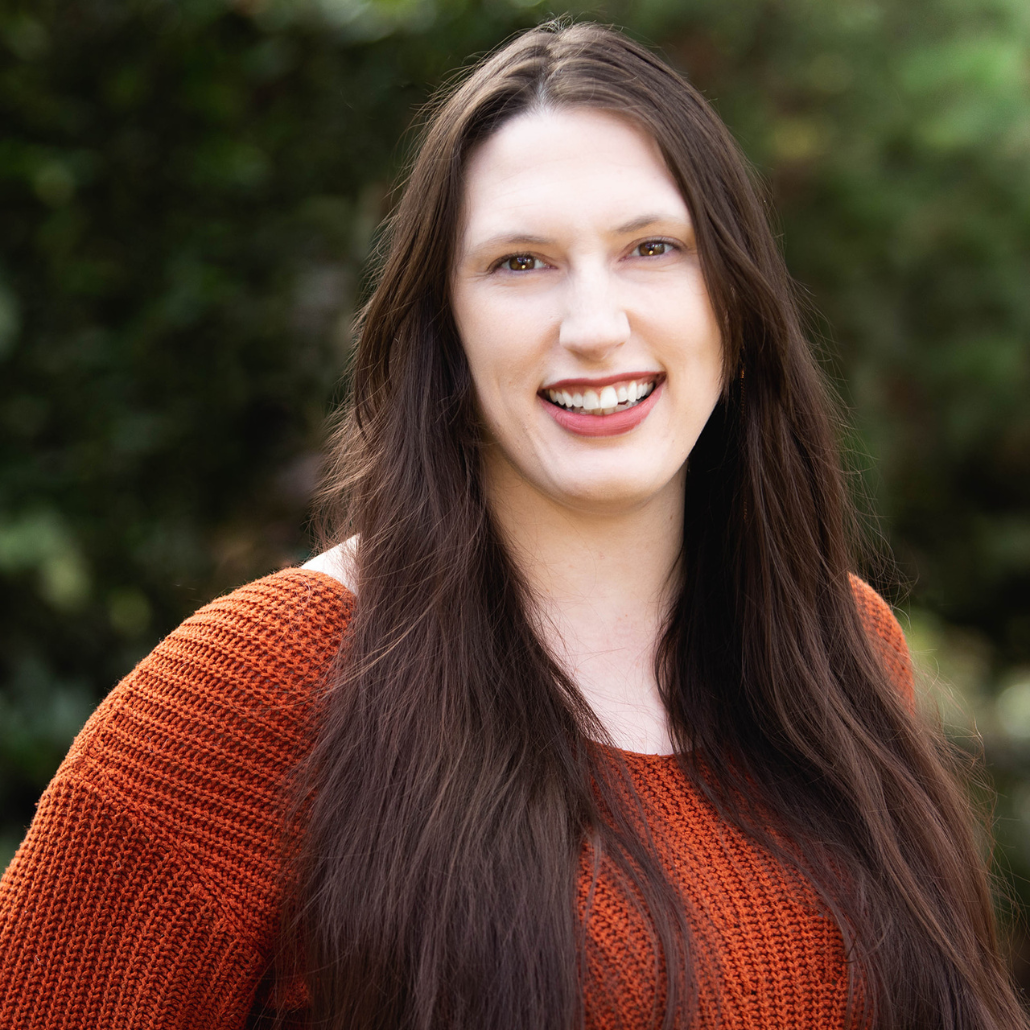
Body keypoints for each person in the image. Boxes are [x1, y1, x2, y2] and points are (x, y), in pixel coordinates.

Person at [0, 19, 1025, 1030]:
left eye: (651, 248)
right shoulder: (258, 687)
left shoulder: (837, 647)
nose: (592, 326)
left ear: (735, 303)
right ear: (441, 329)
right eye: (520, 263)